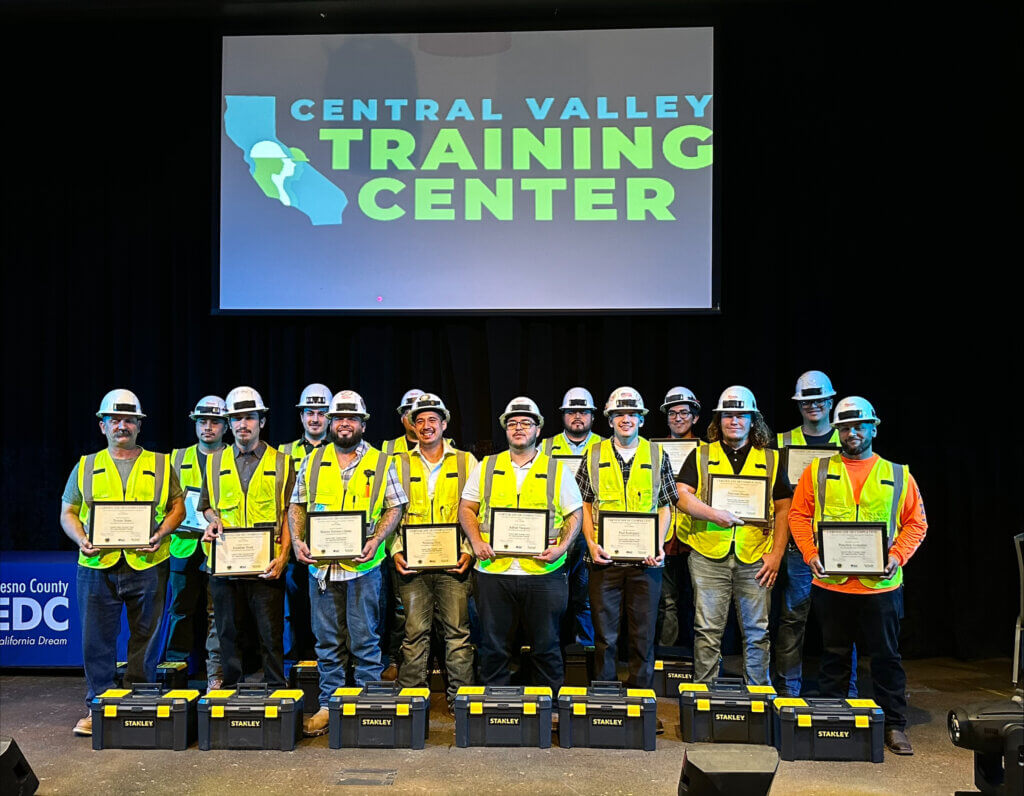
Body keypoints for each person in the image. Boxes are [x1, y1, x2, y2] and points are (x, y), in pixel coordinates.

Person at [789, 396, 927, 755]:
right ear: (837, 432)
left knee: (886, 658)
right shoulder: (816, 472)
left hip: (880, 585)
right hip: (832, 584)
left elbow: (916, 523)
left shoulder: (898, 474)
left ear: (872, 427)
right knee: (833, 655)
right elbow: (799, 516)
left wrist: (897, 556)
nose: (852, 432)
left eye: (858, 426)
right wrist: (810, 553)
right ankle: (834, 723)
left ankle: (894, 725)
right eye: (845, 427)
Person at [60, 389, 185, 736]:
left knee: (146, 637)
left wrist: (161, 533)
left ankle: (138, 701)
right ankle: (97, 706)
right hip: (97, 564)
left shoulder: (160, 464)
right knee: (96, 640)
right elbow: (68, 512)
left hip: (148, 562)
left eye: (129, 419)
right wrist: (80, 538)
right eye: (114, 419)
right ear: (102, 426)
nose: (122, 425)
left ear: (139, 425)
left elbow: (178, 506)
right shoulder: (86, 465)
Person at [289, 390, 408, 736]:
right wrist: (297, 541)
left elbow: (395, 507)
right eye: (339, 418)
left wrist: (375, 540)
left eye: (351, 418)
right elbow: (297, 504)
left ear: (362, 423)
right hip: (321, 570)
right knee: (327, 643)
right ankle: (330, 705)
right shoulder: (313, 460)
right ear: (330, 422)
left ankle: (368, 705)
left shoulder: (382, 462)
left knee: (365, 641)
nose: (344, 424)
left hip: (363, 567)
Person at [459, 396, 583, 692]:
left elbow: (575, 515)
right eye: (512, 423)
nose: (518, 428)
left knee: (546, 646)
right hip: (494, 572)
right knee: (494, 647)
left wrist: (562, 548)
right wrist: (475, 541)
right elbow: (466, 508)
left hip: (543, 572)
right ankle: (494, 707)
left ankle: (549, 709)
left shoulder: (557, 469)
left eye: (526, 423)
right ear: (505, 429)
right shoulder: (487, 466)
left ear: (538, 429)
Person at [675, 385, 792, 686]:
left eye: (741, 415)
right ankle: (704, 697)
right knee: (707, 630)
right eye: (728, 415)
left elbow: (783, 509)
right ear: (719, 420)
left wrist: (776, 555)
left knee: (757, 632)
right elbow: (681, 496)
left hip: (755, 558)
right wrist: (716, 515)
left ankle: (758, 698)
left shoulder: (771, 458)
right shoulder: (701, 454)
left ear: (753, 420)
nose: (734, 421)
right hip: (708, 557)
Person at [578, 387, 675, 696]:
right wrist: (591, 544)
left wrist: (658, 544)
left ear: (641, 420)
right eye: (619, 414)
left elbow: (665, 504)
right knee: (605, 636)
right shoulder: (593, 454)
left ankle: (640, 698)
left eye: (632, 414)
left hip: (646, 563)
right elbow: (584, 504)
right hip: (603, 560)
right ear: (609, 420)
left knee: (643, 635)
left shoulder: (657, 454)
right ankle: (605, 696)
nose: (625, 419)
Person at [200, 387, 294, 692]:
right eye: (236, 418)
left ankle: (277, 695)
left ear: (261, 421)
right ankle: (229, 695)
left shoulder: (282, 462)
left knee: (270, 635)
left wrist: (284, 558)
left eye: (249, 417)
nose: (243, 424)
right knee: (228, 634)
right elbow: (207, 506)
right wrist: (213, 521)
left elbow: (291, 514)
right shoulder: (215, 462)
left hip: (266, 563)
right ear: (229, 423)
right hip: (225, 564)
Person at [391, 393, 477, 714]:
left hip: (454, 562)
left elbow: (476, 513)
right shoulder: (398, 463)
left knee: (457, 634)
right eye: (420, 420)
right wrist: (395, 550)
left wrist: (469, 551)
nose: (427, 426)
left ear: (444, 424)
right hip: (412, 564)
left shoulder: (467, 461)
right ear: (412, 426)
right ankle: (411, 702)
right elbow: (390, 512)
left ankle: (462, 701)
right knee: (414, 634)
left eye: (433, 420)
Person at [773, 370, 851, 697]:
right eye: (806, 401)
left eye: (819, 399)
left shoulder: (846, 439)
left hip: (840, 546)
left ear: (830, 400)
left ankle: (846, 694)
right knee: (793, 621)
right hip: (797, 547)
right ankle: (788, 694)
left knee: (843, 626)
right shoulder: (782, 442)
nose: (813, 405)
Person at [164, 395, 228, 689]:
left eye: (215, 422)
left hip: (221, 545)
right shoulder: (176, 458)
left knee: (219, 613)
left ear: (225, 426)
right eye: (203, 421)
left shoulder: (234, 458)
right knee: (179, 609)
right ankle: (174, 669)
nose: (208, 427)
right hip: (183, 545)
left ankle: (216, 673)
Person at [542, 387, 604, 649]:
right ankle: (548, 648)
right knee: (549, 596)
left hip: (591, 534)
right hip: (555, 532)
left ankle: (584, 651)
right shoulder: (544, 446)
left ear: (592, 415)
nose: (577, 416)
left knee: (586, 597)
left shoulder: (606, 446)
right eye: (571, 412)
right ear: (563, 415)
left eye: (583, 411)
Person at [279, 383, 333, 663]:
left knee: (330, 610)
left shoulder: (341, 450)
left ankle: (328, 662)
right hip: (295, 546)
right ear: (301, 417)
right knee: (297, 607)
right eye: (309, 412)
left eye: (322, 412)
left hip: (332, 545)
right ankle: (300, 662)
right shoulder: (282, 452)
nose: (315, 418)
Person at [656, 386, 702, 654]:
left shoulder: (707, 451)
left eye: (684, 412)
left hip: (698, 537)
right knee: (668, 601)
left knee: (701, 602)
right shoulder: (653, 450)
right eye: (672, 413)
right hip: (665, 538)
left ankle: (701, 658)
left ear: (695, 417)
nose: (678, 418)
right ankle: (668, 656)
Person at [382, 388, 426, 455]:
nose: (414, 418)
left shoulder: (446, 446)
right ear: (402, 419)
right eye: (408, 413)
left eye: (418, 413)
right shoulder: (385, 448)